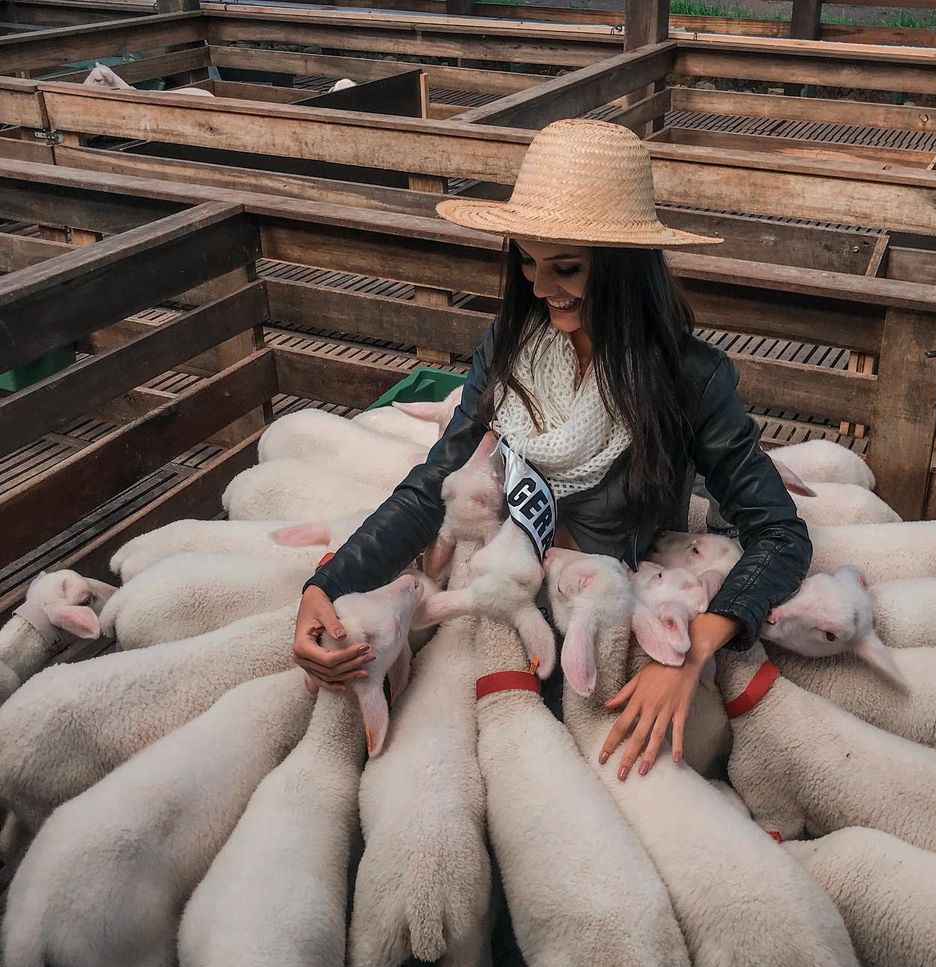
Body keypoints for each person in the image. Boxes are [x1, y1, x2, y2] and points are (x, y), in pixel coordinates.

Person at [293, 118, 810, 780]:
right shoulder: (509, 348)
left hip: (603, 611)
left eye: (566, 268)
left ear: (625, 269)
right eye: (528, 264)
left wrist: (690, 654)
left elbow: (779, 534)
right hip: (494, 582)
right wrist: (329, 582)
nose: (541, 289)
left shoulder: (691, 378)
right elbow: (438, 482)